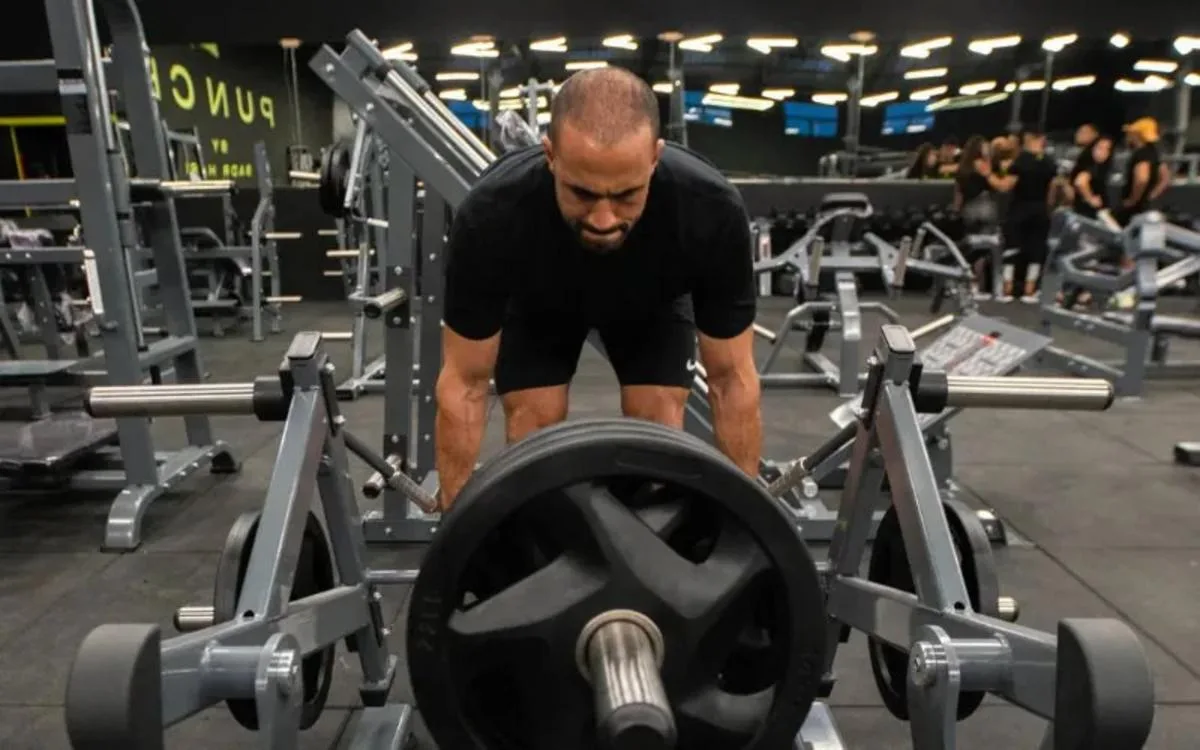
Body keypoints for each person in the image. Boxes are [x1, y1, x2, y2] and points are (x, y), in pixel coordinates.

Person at [434, 67, 761, 510]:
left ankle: (654, 542)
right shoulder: (492, 214)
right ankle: (539, 541)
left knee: (658, 424)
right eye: (583, 194)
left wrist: (748, 528)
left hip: (652, 303)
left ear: (655, 158)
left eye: (626, 195)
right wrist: (451, 523)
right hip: (540, 303)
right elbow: (464, 384)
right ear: (550, 155)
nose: (603, 219)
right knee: (534, 426)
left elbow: (731, 380)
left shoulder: (710, 209)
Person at [977, 128, 1058, 302]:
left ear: (1028, 138)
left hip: (1019, 209)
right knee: (1037, 250)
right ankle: (1030, 290)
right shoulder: (1050, 162)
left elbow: (1004, 186)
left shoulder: (1021, 161)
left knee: (1012, 248)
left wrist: (988, 174)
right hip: (1041, 210)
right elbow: (1052, 192)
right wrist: (1047, 209)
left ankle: (1007, 288)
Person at [953, 136, 998, 297]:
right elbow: (994, 184)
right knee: (982, 249)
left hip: (968, 210)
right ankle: (978, 284)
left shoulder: (962, 168)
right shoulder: (982, 165)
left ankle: (966, 284)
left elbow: (958, 194)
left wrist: (957, 212)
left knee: (969, 248)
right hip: (983, 208)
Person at [1117, 117, 1173, 225]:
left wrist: (1133, 200)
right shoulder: (1154, 152)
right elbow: (1165, 178)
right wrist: (1151, 195)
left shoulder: (1141, 155)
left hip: (1135, 209)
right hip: (1146, 206)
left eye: (1130, 133)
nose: (1128, 136)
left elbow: (1142, 179)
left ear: (1137, 135)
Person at [1071, 135, 1113, 219]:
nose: (1103, 152)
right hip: (1088, 213)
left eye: (1107, 149)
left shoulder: (1098, 167)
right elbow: (1080, 182)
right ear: (1092, 148)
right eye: (1100, 148)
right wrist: (1090, 198)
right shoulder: (1090, 166)